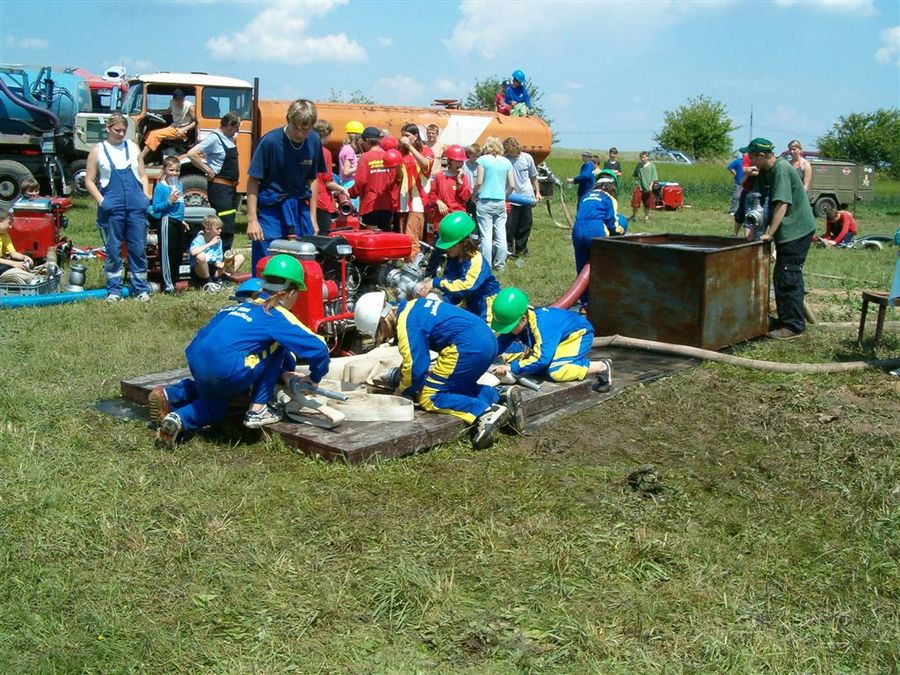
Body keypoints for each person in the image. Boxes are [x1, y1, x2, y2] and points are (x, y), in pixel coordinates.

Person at [151, 255, 331, 448]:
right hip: (229, 370)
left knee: (215, 406)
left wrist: (282, 375)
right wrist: (314, 378)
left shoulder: (235, 308)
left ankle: (176, 416)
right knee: (277, 345)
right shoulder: (275, 314)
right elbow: (320, 349)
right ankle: (258, 410)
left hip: (197, 362)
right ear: (291, 293)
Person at [353, 291, 525, 449]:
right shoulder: (415, 306)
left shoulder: (406, 324)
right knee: (451, 387)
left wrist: (403, 391)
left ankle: (484, 412)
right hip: (486, 341)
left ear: (383, 321)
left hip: (467, 348)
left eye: (380, 332)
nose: (384, 337)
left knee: (430, 396)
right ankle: (498, 395)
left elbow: (415, 367)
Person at [739, 137, 816, 340]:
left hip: (797, 229)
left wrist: (769, 234)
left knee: (787, 275)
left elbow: (782, 204)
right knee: (784, 275)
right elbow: (754, 199)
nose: (749, 160)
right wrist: (750, 230)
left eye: (752, 156)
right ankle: (786, 319)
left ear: (762, 155)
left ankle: (793, 326)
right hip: (788, 229)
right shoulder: (765, 171)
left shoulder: (781, 169)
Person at [246, 99, 325, 275]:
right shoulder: (270, 142)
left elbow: (313, 179)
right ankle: (263, 289)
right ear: (288, 119)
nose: (300, 134)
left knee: (303, 254)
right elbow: (253, 180)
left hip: (299, 206)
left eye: (306, 129)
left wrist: (313, 218)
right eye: (296, 127)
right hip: (272, 206)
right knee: (267, 254)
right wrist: (252, 220)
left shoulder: (314, 140)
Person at [84, 112, 152, 302]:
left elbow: (143, 174)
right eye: (117, 130)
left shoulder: (133, 147)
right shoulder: (98, 150)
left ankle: (141, 289)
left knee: (137, 248)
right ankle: (114, 290)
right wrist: (102, 201)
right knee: (113, 250)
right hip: (112, 207)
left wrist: (145, 196)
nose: (121, 134)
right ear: (108, 129)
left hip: (136, 206)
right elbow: (89, 180)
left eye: (123, 130)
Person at [489, 287, 612, 392]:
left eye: (509, 327)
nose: (507, 331)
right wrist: (486, 356)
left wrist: (512, 367)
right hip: (560, 337)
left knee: (556, 371)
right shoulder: (522, 322)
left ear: (523, 319)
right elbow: (501, 343)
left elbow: (542, 358)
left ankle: (601, 367)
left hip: (577, 334)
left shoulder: (541, 326)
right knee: (537, 369)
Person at [418, 212, 500, 322]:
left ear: (465, 243)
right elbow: (452, 287)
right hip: (469, 302)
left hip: (486, 304)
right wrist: (438, 302)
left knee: (483, 331)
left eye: (450, 246)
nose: (446, 249)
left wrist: (436, 282)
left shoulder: (476, 260)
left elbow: (465, 287)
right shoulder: (454, 258)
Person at [186, 111, 242, 253]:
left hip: (230, 190)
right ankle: (219, 257)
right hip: (220, 188)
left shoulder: (230, 139)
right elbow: (192, 154)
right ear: (229, 124)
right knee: (224, 226)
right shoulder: (214, 138)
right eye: (237, 126)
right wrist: (207, 169)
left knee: (229, 224)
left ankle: (225, 256)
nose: (238, 129)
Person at [571, 177, 616, 305]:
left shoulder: (585, 196)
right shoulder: (607, 198)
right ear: (611, 187)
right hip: (595, 230)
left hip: (577, 230)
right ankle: (602, 300)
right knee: (602, 265)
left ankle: (585, 302)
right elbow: (612, 223)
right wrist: (620, 231)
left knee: (582, 268)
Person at [147, 156, 187, 294]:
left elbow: (180, 205)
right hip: (167, 221)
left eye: (177, 170)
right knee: (168, 254)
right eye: (171, 170)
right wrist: (169, 201)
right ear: (164, 170)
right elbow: (156, 208)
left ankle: (175, 281)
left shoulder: (179, 184)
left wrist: (182, 220)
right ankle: (168, 285)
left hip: (178, 221)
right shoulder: (161, 187)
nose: (174, 173)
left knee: (178, 254)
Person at [474, 136, 514, 271]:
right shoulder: (506, 162)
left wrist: (473, 195)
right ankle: (500, 264)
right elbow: (512, 185)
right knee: (501, 234)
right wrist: (505, 196)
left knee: (486, 235)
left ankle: (486, 265)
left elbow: (479, 182)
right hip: (500, 201)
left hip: (485, 201)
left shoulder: (482, 160)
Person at [396, 123, 432, 261]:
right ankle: (405, 264)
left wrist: (410, 147)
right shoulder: (400, 153)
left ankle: (412, 267)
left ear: (415, 136)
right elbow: (398, 176)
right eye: (402, 135)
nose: (403, 138)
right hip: (402, 201)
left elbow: (426, 165)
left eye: (407, 135)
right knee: (404, 238)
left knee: (413, 238)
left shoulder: (426, 151)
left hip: (418, 201)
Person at [351, 126, 396, 231]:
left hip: (370, 205)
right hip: (387, 205)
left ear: (366, 140)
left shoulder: (365, 157)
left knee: (373, 237)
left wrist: (351, 193)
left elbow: (361, 181)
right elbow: (394, 180)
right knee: (385, 236)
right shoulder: (388, 155)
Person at [503, 136, 541, 258]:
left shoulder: (527, 158)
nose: (510, 153)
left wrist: (537, 192)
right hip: (511, 197)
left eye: (511, 151)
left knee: (525, 224)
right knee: (510, 226)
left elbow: (533, 176)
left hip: (526, 196)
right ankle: (508, 248)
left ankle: (522, 248)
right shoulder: (505, 160)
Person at [312, 119, 350, 236]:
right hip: (321, 200)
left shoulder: (305, 149)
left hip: (307, 200)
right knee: (323, 236)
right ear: (325, 134)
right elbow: (328, 182)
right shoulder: (325, 153)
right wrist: (343, 189)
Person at [425, 144, 471, 239]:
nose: (460, 164)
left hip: (458, 217)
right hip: (442, 218)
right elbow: (431, 194)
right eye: (457, 161)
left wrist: (459, 181)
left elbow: (466, 197)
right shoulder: (440, 176)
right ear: (449, 161)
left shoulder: (463, 178)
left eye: (461, 161)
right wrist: (438, 202)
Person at [189, 214, 245, 292]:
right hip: (199, 270)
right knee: (200, 256)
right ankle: (207, 282)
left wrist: (220, 264)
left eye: (220, 228)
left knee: (240, 257)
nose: (220, 230)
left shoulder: (218, 240)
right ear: (207, 229)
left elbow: (218, 257)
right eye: (217, 229)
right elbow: (193, 252)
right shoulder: (199, 239)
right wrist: (210, 243)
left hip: (214, 268)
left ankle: (225, 277)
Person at [140, 88, 196, 162]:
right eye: (177, 99)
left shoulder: (190, 107)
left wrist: (184, 129)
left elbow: (196, 122)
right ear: (174, 99)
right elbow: (167, 112)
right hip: (173, 127)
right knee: (149, 133)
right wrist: (151, 110)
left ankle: (141, 157)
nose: (180, 102)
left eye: (181, 99)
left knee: (154, 135)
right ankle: (151, 158)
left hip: (182, 131)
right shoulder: (172, 103)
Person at [0, 211, 34, 275]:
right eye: (9, 223)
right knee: (6, 268)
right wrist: (13, 263)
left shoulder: (4, 235)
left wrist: (24, 257)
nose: (10, 227)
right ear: (0, 220)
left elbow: (12, 253)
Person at [630, 151, 658, 223]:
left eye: (643, 157)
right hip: (639, 186)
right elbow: (635, 175)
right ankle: (634, 216)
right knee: (635, 201)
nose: (642, 159)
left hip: (648, 187)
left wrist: (650, 186)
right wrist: (636, 181)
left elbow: (653, 177)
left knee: (647, 203)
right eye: (641, 157)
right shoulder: (639, 165)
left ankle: (646, 218)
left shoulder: (652, 166)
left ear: (647, 157)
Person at [462, 143, 480, 219]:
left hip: (477, 194)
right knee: (468, 213)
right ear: (469, 155)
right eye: (474, 156)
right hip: (467, 193)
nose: (476, 158)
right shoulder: (464, 165)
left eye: (478, 156)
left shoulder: (479, 165)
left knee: (476, 215)